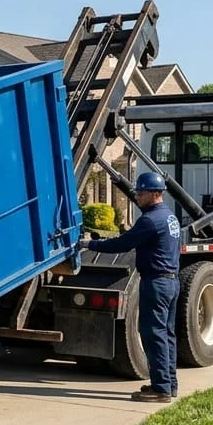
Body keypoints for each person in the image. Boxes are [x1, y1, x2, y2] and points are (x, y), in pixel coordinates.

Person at [81, 172, 182, 403]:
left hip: (156, 283)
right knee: (166, 335)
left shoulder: (150, 220)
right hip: (170, 281)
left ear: (155, 194)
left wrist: (89, 244)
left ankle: (161, 390)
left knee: (153, 335)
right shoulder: (169, 217)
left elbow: (122, 244)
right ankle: (168, 384)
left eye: (141, 192)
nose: (137, 196)